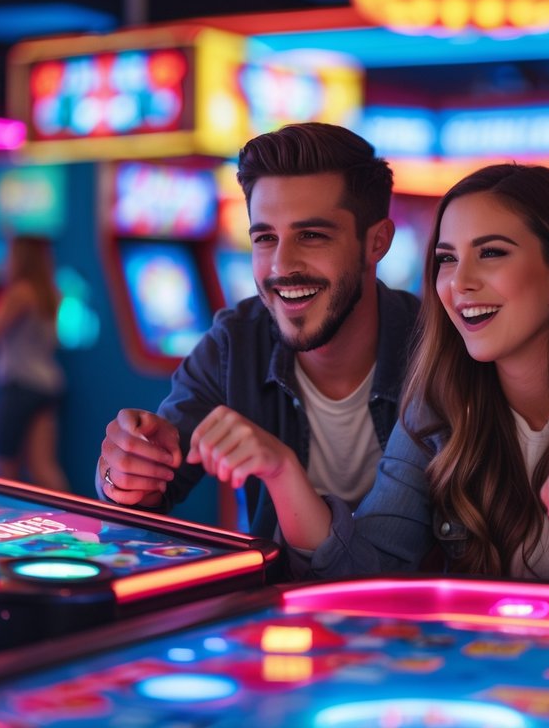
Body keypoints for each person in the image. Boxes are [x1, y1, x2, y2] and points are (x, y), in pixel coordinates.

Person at [190, 163, 549, 589]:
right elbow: (369, 570)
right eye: (447, 259)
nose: (459, 283)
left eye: (492, 254)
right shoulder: (436, 401)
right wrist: (283, 473)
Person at [96, 123, 420, 540]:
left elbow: (393, 561)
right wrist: (123, 472)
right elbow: (146, 492)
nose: (282, 266)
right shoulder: (235, 343)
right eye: (265, 237)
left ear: (377, 243)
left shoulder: (436, 351)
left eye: (312, 235)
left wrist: (280, 467)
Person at [0, 235, 68, 491]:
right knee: (43, 466)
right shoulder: (50, 292)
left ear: (20, 258)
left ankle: (9, 525)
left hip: (21, 385)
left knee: (2, 464)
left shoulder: (20, 292)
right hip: (48, 383)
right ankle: (74, 522)